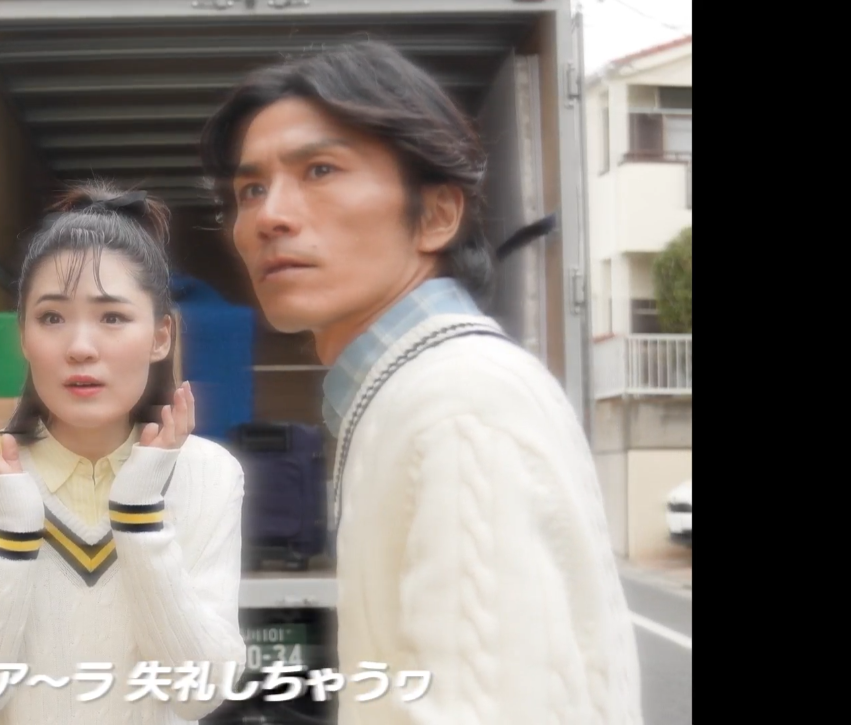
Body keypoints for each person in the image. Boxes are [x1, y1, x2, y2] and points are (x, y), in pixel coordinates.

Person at [200, 40, 644, 725]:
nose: (267, 217)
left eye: (320, 170)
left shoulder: (460, 402)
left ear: (436, 214)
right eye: (250, 189)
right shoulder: (408, 393)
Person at [0, 182, 247, 725]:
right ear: (24, 336)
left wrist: (140, 516)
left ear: (161, 336)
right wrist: (12, 533)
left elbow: (200, 692)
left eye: (112, 317)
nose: (80, 347)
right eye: (52, 318)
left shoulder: (208, 473)